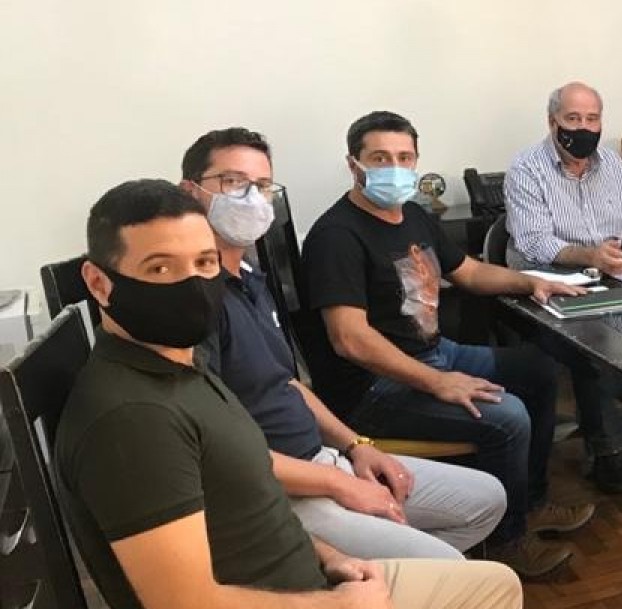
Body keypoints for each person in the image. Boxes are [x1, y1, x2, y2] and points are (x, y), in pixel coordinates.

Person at [55, 179, 558, 609]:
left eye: (203, 263)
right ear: (99, 282)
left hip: (305, 600)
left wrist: (334, 559)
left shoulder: (182, 368)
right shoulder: (131, 419)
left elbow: (255, 507)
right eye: (160, 268)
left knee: (496, 590)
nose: (192, 284)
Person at [182, 126, 504, 561]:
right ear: (190, 191)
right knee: (452, 566)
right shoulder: (194, 304)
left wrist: (356, 448)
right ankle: (368, 575)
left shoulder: (251, 280)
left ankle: (375, 577)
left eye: (262, 185)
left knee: (486, 499)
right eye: (233, 182)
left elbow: (286, 384)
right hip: (275, 490)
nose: (251, 199)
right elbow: (216, 448)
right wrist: (340, 484)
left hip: (323, 457)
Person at [302, 111, 593, 578]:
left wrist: (532, 281)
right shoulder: (335, 236)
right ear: (354, 164)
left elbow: (469, 272)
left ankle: (530, 503)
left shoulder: (414, 215)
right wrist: (437, 382)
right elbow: (349, 339)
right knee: (509, 417)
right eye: (380, 158)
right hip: (372, 388)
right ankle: (505, 542)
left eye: (404, 158)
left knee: (539, 371)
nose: (394, 168)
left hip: (435, 355)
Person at [504, 81, 622, 494]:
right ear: (552, 121)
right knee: (594, 343)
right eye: (573, 118)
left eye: (592, 119)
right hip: (552, 280)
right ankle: (606, 452)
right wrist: (590, 256)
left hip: (613, 275)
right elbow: (533, 243)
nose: (583, 128)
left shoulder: (613, 165)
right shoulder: (526, 168)